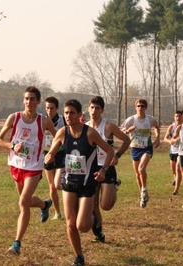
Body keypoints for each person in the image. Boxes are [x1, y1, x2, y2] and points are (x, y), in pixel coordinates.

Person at [44, 99, 114, 266]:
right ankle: (79, 257)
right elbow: (52, 151)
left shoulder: (90, 133)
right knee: (70, 223)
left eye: (72, 113)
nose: (68, 116)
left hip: (87, 184)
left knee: (82, 226)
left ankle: (92, 217)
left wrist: (103, 170)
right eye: (66, 113)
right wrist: (49, 157)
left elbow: (110, 151)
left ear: (80, 115)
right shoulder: (62, 132)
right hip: (69, 183)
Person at [0, 86, 57, 256]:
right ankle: (45, 204)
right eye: (26, 99)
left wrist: (51, 153)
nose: (29, 102)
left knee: (23, 202)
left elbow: (59, 137)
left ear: (38, 101)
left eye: (32, 99)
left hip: (34, 167)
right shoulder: (14, 117)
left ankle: (16, 244)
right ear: (23, 100)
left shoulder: (44, 121)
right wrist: (12, 146)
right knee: (26, 201)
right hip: (16, 165)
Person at [85, 96, 130, 243]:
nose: (94, 111)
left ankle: (114, 185)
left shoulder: (108, 127)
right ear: (88, 109)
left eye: (97, 108)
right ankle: (99, 232)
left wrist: (117, 155)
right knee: (92, 203)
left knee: (106, 205)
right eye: (92, 107)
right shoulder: (85, 127)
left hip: (107, 166)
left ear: (102, 110)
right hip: (91, 168)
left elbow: (126, 140)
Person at [121, 98, 160, 208]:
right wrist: (128, 131)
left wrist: (157, 139)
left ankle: (144, 189)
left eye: (142, 106)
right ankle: (143, 195)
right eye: (138, 106)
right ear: (135, 107)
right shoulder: (131, 120)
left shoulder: (150, 119)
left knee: (141, 169)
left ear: (146, 108)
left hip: (146, 148)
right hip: (135, 148)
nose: (140, 108)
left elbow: (156, 127)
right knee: (137, 174)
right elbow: (121, 131)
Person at [43, 96, 66, 220]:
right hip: (47, 155)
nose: (49, 110)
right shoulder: (42, 120)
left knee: (58, 184)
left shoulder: (63, 120)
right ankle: (57, 213)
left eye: (52, 108)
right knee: (51, 186)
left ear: (57, 108)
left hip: (61, 154)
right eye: (47, 108)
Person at [163, 110, 183, 187]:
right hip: (173, 150)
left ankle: (176, 184)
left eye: (179, 116)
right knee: (173, 170)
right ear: (174, 117)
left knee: (178, 168)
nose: (178, 118)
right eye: (176, 116)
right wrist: (170, 141)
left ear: (182, 117)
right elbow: (165, 138)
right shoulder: (172, 127)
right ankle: (176, 179)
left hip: (182, 150)